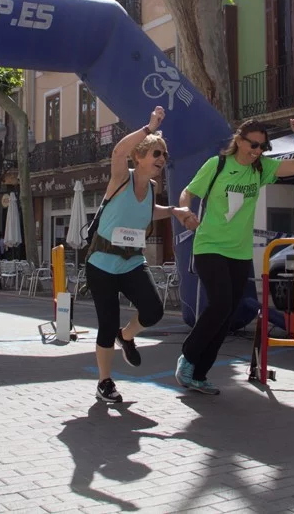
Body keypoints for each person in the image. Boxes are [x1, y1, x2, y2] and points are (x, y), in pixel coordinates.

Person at [176, 117, 294, 394]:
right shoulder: (217, 165)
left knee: (227, 314)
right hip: (209, 246)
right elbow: (187, 192)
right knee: (221, 304)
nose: (257, 150)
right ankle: (188, 355)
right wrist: (186, 213)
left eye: (262, 146)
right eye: (253, 144)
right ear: (239, 140)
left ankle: (199, 374)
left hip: (239, 252)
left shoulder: (261, 170)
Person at [88, 105, 194, 403]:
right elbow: (119, 151)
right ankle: (105, 381)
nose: (162, 159)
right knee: (106, 324)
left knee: (154, 311)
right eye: (156, 153)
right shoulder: (122, 176)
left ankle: (128, 335)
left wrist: (175, 211)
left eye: (164, 155)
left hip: (133, 260)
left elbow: (149, 210)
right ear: (140, 156)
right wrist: (149, 127)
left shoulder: (151, 187)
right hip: (102, 263)